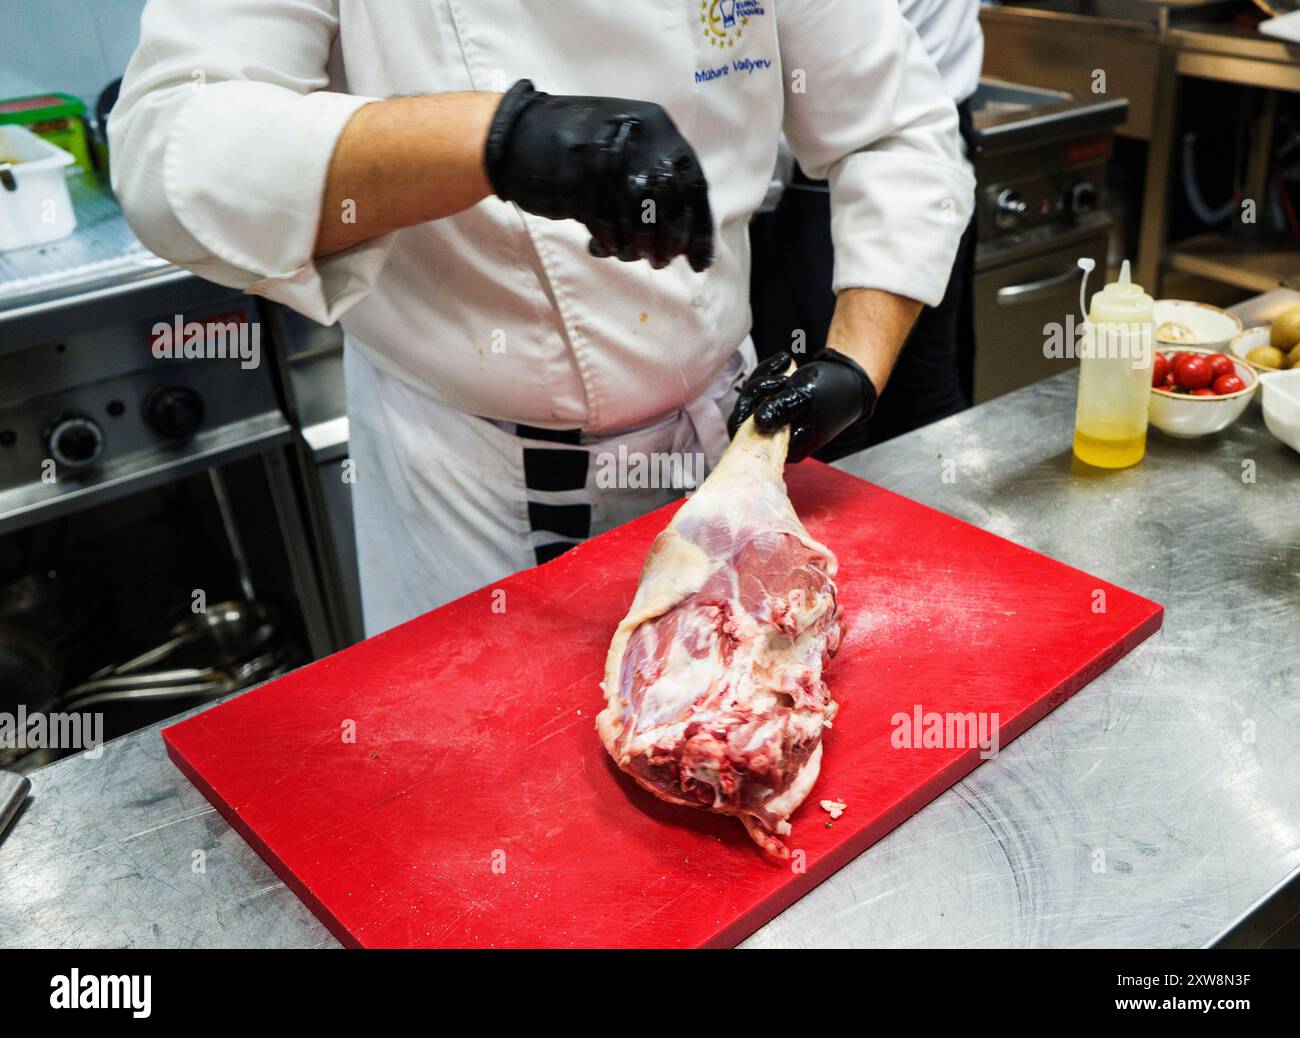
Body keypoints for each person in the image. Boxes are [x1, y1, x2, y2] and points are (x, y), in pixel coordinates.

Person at [110, 0, 973, 635]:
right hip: (465, 478)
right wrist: (496, 140)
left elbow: (894, 129)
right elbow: (168, 147)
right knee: (484, 807)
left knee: (723, 740)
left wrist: (855, 362)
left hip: (719, 435)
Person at [748, 0, 983, 458]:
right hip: (913, 146)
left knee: (839, 434)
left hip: (858, 170)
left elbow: (887, 130)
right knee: (921, 402)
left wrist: (852, 368)